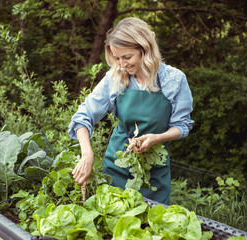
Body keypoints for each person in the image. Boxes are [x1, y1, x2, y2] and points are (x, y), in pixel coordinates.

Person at [68, 17, 194, 205]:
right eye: (116, 58)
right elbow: (83, 116)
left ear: (145, 50)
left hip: (154, 169)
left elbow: (182, 126)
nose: (121, 64)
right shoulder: (115, 78)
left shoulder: (173, 80)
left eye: (127, 57)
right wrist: (87, 154)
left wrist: (157, 138)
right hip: (117, 164)